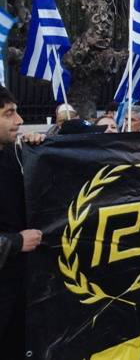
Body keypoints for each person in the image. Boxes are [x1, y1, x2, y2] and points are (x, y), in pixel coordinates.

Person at [0, 86, 45, 358]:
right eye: (9, 113)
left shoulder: (12, 155)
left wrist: (39, 152)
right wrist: (16, 242)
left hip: (18, 290)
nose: (19, 120)